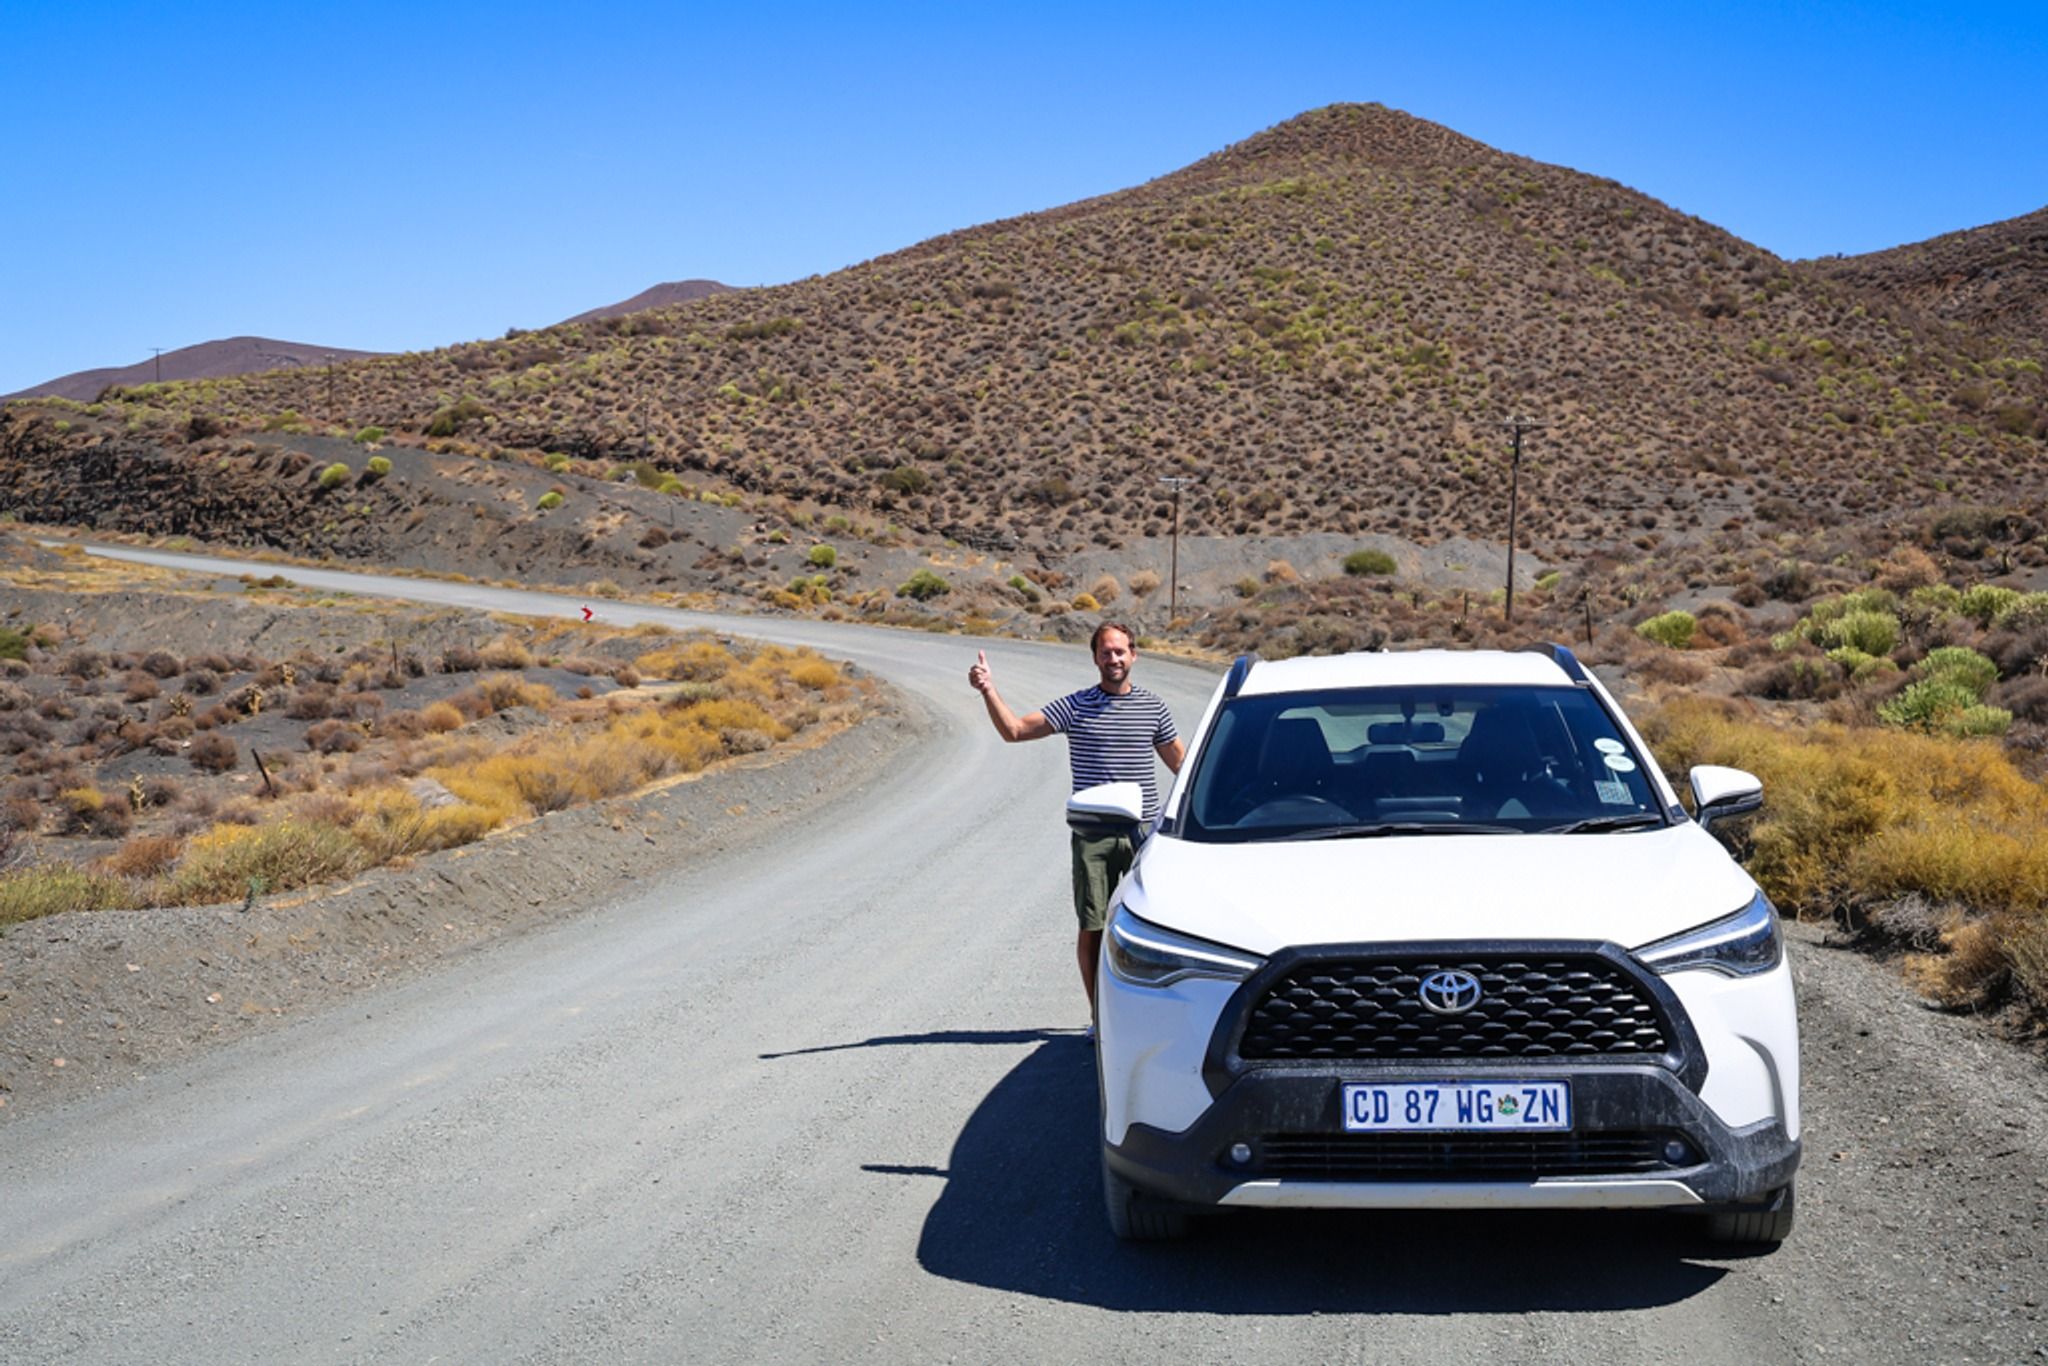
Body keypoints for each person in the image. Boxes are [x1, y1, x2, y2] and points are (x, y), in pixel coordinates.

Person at [967, 623, 1184, 1019]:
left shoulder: (1153, 708)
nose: (1113, 658)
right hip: (1093, 837)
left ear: (1134, 655)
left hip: (1144, 837)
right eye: (1106, 652)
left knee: (1155, 925)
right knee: (1094, 927)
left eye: (1120, 651)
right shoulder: (1076, 706)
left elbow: (1183, 768)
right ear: (1095, 658)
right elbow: (1015, 731)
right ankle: (1101, 1018)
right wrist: (988, 690)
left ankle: (1154, 1015)